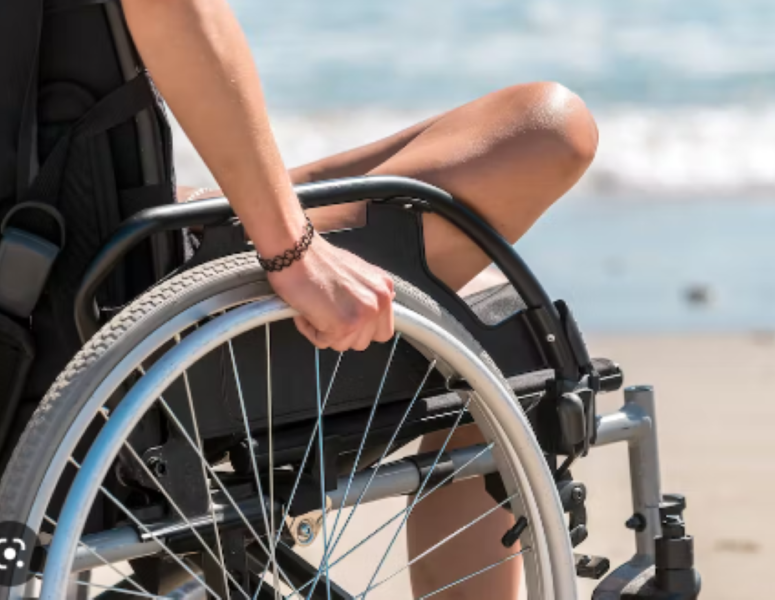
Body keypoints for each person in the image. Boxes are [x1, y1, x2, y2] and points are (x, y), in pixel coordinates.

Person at [122, 0, 598, 597]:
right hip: (130, 298)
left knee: (485, 292)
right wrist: (292, 251)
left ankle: (240, 198)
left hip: (53, 276)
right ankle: (262, 208)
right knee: (550, 129)